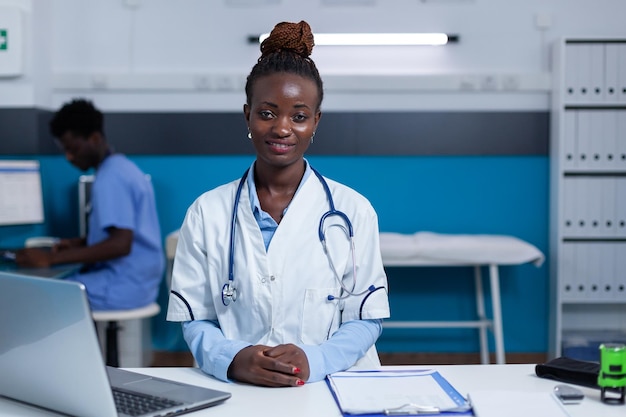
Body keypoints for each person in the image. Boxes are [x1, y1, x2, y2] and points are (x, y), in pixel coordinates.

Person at [166, 20, 390, 387]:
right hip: (240, 390)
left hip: (333, 386)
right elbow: (195, 316)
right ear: (248, 116)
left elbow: (366, 316)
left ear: (315, 122)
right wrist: (232, 358)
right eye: (267, 113)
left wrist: (314, 358)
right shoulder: (206, 213)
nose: (282, 128)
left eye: (299, 116)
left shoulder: (353, 212)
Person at [16, 99, 165, 311]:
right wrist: (81, 242)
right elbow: (124, 233)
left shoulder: (109, 178)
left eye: (73, 149)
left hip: (122, 285)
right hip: (142, 281)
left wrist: (50, 258)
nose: (69, 157)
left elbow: (121, 244)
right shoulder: (123, 167)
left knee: (38, 293)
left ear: (94, 138)